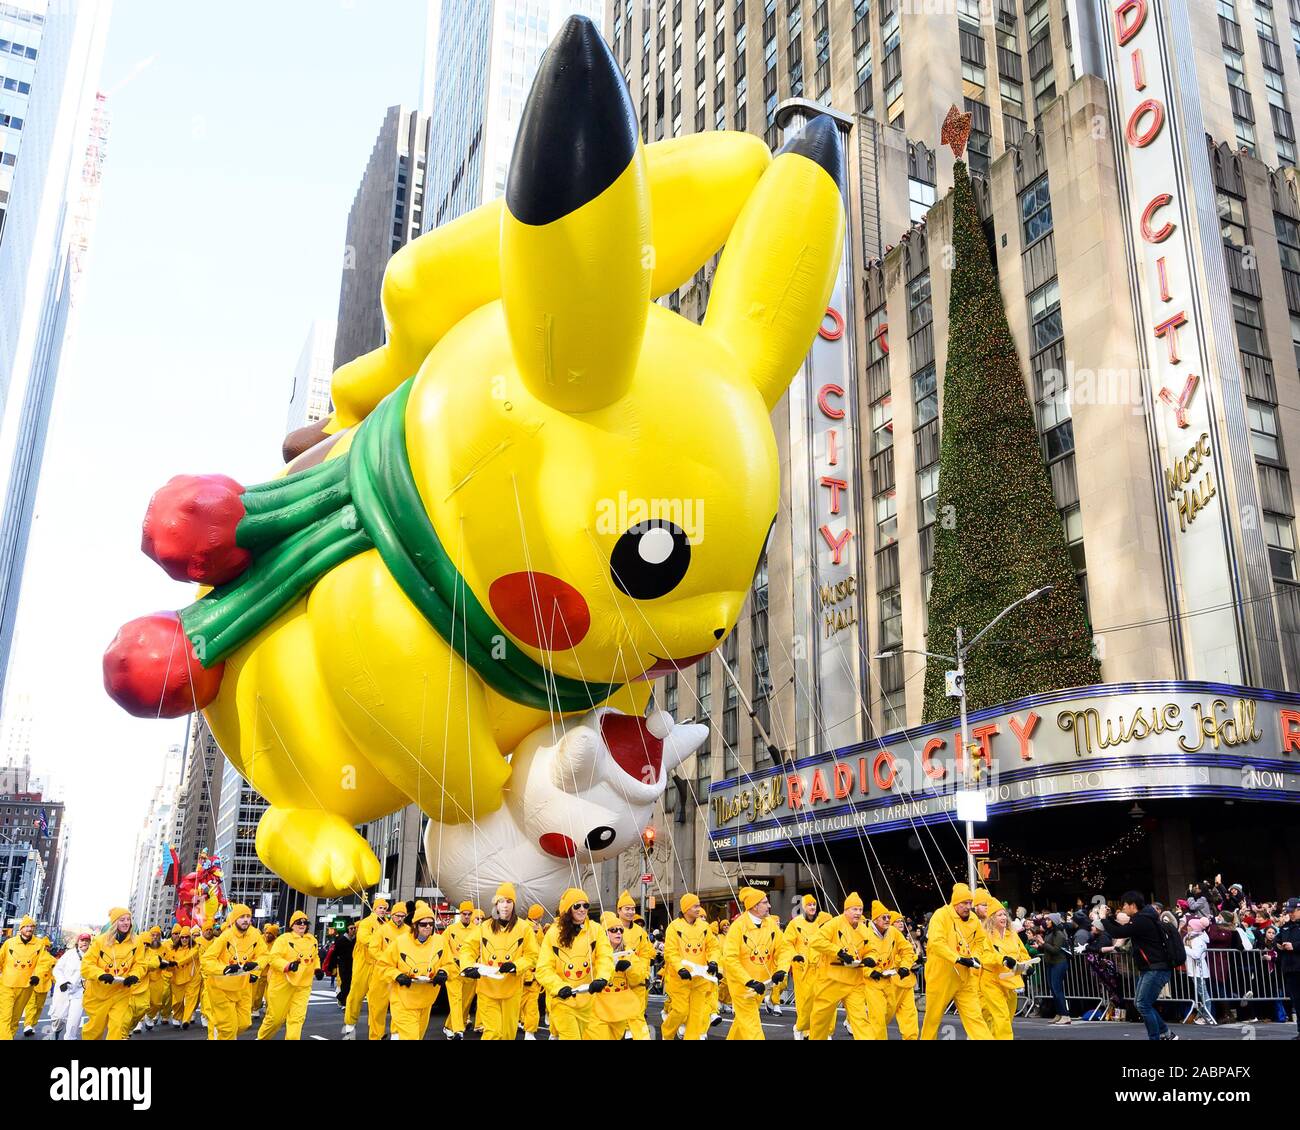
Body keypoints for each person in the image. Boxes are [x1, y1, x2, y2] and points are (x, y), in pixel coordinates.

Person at [458, 882, 535, 1040]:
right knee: (492, 1033)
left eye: (509, 901)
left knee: (507, 1035)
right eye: (501, 901)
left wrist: (516, 966)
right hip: (487, 989)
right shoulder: (484, 927)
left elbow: (532, 955)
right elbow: (467, 949)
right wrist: (467, 966)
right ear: (495, 904)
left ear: (514, 904)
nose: (505, 906)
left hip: (512, 991)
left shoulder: (524, 928)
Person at [534, 887, 612, 1041]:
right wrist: (559, 987)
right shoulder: (553, 933)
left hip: (586, 1001)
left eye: (586, 905)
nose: (582, 909)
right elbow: (543, 968)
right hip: (562, 1000)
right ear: (567, 909)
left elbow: (605, 957)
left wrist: (602, 978)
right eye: (577, 906)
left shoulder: (596, 930)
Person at [920, 883, 993, 1040]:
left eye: (969, 903)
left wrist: (975, 956)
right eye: (964, 903)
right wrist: (958, 958)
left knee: (975, 1018)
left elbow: (981, 941)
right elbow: (936, 943)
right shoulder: (940, 916)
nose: (968, 907)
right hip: (941, 976)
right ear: (955, 903)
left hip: (965, 978)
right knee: (932, 1018)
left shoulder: (973, 919)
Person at [721, 886, 791, 1041]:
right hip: (743, 989)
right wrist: (749, 981)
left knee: (742, 1024)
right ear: (754, 906)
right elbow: (730, 958)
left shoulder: (771, 924)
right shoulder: (738, 928)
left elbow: (784, 948)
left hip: (762, 985)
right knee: (753, 1029)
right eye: (765, 902)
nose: (770, 906)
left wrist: (782, 969)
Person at [1106, 890, 1178, 1041]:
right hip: (1151, 968)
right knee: (1141, 1004)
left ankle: (1156, 1037)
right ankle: (1166, 1033)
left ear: (1132, 905)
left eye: (1124, 905)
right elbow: (1121, 929)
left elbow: (1119, 932)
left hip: (1156, 969)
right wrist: (1109, 918)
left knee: (1143, 1005)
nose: (1123, 908)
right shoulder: (1144, 918)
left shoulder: (1142, 920)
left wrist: (1103, 918)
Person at [808, 892, 873, 1040]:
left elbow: (872, 949)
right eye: (854, 909)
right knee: (820, 1019)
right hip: (831, 980)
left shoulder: (864, 929)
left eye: (860, 910)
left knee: (861, 1019)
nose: (858, 913)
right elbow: (816, 941)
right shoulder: (834, 923)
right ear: (845, 910)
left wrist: (870, 958)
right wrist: (838, 952)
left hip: (855, 981)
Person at [201, 903, 268, 1040]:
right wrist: (224, 969)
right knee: (228, 1028)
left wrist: (255, 967)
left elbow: (265, 955)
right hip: (220, 988)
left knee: (244, 1023)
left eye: (248, 916)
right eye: (242, 917)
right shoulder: (225, 937)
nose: (245, 920)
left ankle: (221, 1033)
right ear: (234, 919)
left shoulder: (255, 935)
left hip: (242, 987)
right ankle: (221, 1033)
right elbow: (206, 960)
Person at [384, 900, 446, 1041]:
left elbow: (449, 964)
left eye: (431, 924)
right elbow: (383, 965)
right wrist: (397, 975)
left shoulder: (440, 941)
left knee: (418, 1036)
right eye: (423, 924)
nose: (428, 927)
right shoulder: (400, 942)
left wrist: (443, 972)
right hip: (403, 1001)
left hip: (426, 1000)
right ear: (415, 925)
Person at [660, 892, 718, 1041]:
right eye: (695, 906)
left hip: (700, 979)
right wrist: (680, 968)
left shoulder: (704, 926)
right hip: (680, 979)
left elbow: (713, 947)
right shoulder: (674, 927)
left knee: (696, 1016)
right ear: (686, 908)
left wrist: (713, 961)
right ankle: (667, 1033)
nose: (699, 909)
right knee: (680, 1011)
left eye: (699, 905)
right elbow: (670, 952)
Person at [80, 908, 145, 1041]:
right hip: (99, 994)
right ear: (115, 922)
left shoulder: (137, 941)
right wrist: (101, 975)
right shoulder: (99, 941)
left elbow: (140, 964)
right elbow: (86, 966)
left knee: (118, 1026)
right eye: (122, 920)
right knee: (94, 1029)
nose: (126, 923)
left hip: (121, 992)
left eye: (128, 919)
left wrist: (134, 975)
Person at [257, 910, 320, 1040]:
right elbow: (273, 958)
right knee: (275, 1019)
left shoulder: (312, 940)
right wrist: (288, 965)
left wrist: (318, 969)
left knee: (297, 1019)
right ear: (292, 925)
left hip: (303, 986)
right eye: (298, 922)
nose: (302, 925)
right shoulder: (283, 939)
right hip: (282, 984)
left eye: (304, 922)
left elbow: (315, 956)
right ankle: (262, 1038)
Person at [590, 912, 650, 1040]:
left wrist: (629, 967)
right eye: (613, 930)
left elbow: (638, 978)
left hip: (619, 1004)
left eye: (621, 930)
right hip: (600, 1004)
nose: (618, 932)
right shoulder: (595, 951)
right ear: (605, 933)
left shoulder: (628, 952)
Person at [980, 898, 1030, 1040]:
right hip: (991, 981)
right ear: (991, 918)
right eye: (999, 915)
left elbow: (1022, 953)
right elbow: (984, 956)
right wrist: (1002, 959)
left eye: (1004, 914)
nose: (1003, 917)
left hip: (1010, 982)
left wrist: (1028, 966)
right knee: (1001, 1017)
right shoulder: (986, 935)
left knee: (1007, 1017)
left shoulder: (1012, 934)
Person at [783, 893, 831, 1041]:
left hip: (821, 967)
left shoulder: (822, 922)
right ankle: (803, 1029)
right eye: (809, 905)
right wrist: (794, 955)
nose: (812, 907)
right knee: (804, 1002)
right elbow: (787, 943)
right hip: (802, 969)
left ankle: (823, 1031)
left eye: (814, 905)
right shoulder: (795, 923)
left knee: (823, 1000)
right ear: (803, 907)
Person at [342, 895, 389, 1039]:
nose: (383, 910)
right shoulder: (366, 922)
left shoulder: (387, 924)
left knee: (378, 1001)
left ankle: (377, 1032)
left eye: (385, 908)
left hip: (379, 966)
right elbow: (363, 938)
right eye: (380, 908)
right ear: (374, 908)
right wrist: (379, 942)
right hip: (363, 964)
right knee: (356, 995)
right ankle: (349, 1026)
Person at [364, 899, 408, 1040]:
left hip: (400, 974)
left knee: (401, 1007)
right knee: (377, 1007)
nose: (399, 919)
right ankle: (376, 1035)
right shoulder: (382, 930)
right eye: (397, 915)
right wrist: (386, 960)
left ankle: (396, 1034)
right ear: (392, 914)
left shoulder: (408, 931)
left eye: (402, 916)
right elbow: (373, 948)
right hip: (382, 974)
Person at [616, 890, 655, 1040]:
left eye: (633, 909)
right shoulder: (613, 928)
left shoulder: (640, 932)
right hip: (618, 979)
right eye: (627, 908)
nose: (631, 912)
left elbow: (645, 953)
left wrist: (644, 972)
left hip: (637, 977)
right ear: (619, 910)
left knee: (638, 1011)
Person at [438, 901, 477, 1039]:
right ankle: (458, 1030)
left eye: (469, 914)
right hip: (453, 969)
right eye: (464, 914)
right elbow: (442, 945)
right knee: (456, 999)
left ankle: (449, 1026)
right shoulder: (451, 929)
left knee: (465, 1002)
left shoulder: (477, 930)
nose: (466, 916)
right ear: (460, 913)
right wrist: (449, 960)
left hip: (470, 970)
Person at [0, 915, 43, 1039]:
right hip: (7, 985)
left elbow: (42, 962)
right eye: (27, 926)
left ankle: (9, 1036)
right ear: (21, 928)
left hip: (26, 987)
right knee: (5, 1017)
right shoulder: (9, 943)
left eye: (32, 926)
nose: (29, 929)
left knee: (15, 1018)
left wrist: (37, 975)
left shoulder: (39, 945)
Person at [883, 910, 920, 1039]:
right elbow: (894, 959)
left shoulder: (905, 938)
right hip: (893, 983)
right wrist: (915, 960)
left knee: (909, 1015)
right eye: (897, 921)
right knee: (885, 1014)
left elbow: (907, 955)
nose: (900, 923)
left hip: (907, 982)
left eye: (901, 921)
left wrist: (914, 960)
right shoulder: (887, 938)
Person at [47, 933, 91, 1040]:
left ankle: (70, 1038)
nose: (84, 942)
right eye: (82, 940)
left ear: (90, 942)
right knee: (59, 1017)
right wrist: (62, 982)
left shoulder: (92, 956)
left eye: (87, 940)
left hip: (80, 993)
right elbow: (57, 969)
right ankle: (56, 1031)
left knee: (74, 1020)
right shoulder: (69, 954)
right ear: (78, 942)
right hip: (63, 990)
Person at [1037, 915, 1071, 1023]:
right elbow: (1048, 947)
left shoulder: (1059, 934)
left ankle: (1065, 1015)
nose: (1046, 922)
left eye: (1048, 920)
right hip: (1051, 963)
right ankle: (1059, 1013)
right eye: (1046, 919)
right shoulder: (1050, 932)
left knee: (1057, 989)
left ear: (1054, 922)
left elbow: (1056, 950)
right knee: (1053, 989)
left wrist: (1043, 943)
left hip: (1059, 963)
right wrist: (1040, 945)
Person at [20, 935, 56, 1036]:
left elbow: (54, 973)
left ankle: (30, 1025)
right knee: (32, 1006)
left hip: (43, 986)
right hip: (33, 984)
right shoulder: (33, 956)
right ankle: (28, 1025)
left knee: (37, 1007)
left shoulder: (52, 959)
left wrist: (57, 982)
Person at [167, 926, 202, 1028]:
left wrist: (176, 963)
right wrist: (167, 965)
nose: (185, 939)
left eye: (187, 937)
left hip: (192, 978)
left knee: (191, 1000)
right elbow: (169, 962)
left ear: (190, 938)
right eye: (182, 937)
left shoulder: (195, 948)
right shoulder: (173, 949)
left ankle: (186, 1020)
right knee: (177, 1001)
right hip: (177, 979)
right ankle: (177, 1016)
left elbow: (189, 957)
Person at [520, 903, 546, 1040]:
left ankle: (529, 1032)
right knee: (517, 1004)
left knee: (531, 1006)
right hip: (524, 974)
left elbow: (542, 947)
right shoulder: (524, 927)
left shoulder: (536, 928)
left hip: (534, 974)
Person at [1276, 896, 1300, 1037]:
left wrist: (1295, 946)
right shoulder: (1285, 926)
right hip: (1290, 968)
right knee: (1297, 1002)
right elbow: (1277, 940)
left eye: (1293, 911)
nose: (1290, 913)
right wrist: (1278, 945)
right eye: (1289, 911)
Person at [322, 919, 356, 1007]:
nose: (353, 930)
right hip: (343, 965)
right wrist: (332, 966)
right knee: (345, 983)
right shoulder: (341, 940)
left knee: (352, 984)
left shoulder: (356, 940)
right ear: (347, 930)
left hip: (353, 965)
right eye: (351, 928)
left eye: (354, 928)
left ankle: (342, 998)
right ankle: (343, 1000)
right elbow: (334, 954)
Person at [250, 922, 280, 1017]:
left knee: (270, 994)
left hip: (272, 972)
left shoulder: (278, 943)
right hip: (260, 971)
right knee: (257, 993)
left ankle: (269, 1009)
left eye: (270, 933)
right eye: (266, 932)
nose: (267, 935)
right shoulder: (260, 940)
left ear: (275, 935)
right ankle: (255, 1008)